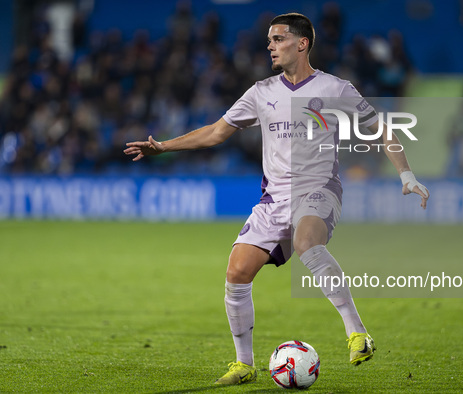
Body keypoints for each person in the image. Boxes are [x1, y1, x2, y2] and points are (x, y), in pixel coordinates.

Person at [124, 13, 429, 385]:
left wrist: (406, 174)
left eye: (278, 38)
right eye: (269, 39)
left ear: (301, 44)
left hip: (319, 190)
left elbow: (382, 130)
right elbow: (217, 132)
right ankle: (244, 364)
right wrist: (164, 147)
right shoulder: (261, 92)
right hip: (273, 199)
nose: (270, 45)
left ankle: (358, 334)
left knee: (306, 244)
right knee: (237, 271)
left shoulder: (336, 89)